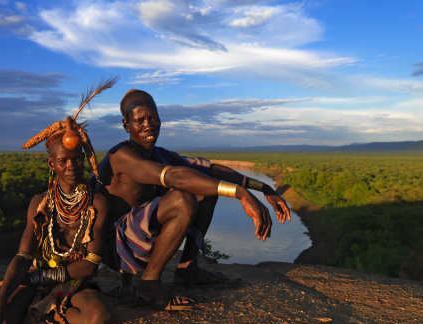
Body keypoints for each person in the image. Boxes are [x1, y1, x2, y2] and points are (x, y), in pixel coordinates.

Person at [95, 89, 291, 311]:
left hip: (138, 235)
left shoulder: (157, 153)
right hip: (117, 250)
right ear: (126, 125)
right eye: (140, 120)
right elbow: (175, 177)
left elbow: (210, 169)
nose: (149, 125)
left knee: (204, 187)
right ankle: (149, 284)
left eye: (154, 118)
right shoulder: (121, 155)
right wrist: (240, 193)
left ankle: (188, 267)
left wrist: (264, 187)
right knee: (183, 198)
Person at [0, 79, 117, 324]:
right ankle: (10, 299)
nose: (71, 165)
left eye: (76, 159)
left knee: (97, 318)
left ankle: (46, 311)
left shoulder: (98, 203)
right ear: (52, 163)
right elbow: (23, 255)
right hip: (36, 277)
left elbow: (90, 265)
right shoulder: (39, 203)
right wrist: (0, 303)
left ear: (84, 159)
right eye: (63, 160)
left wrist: (34, 279)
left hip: (75, 282)